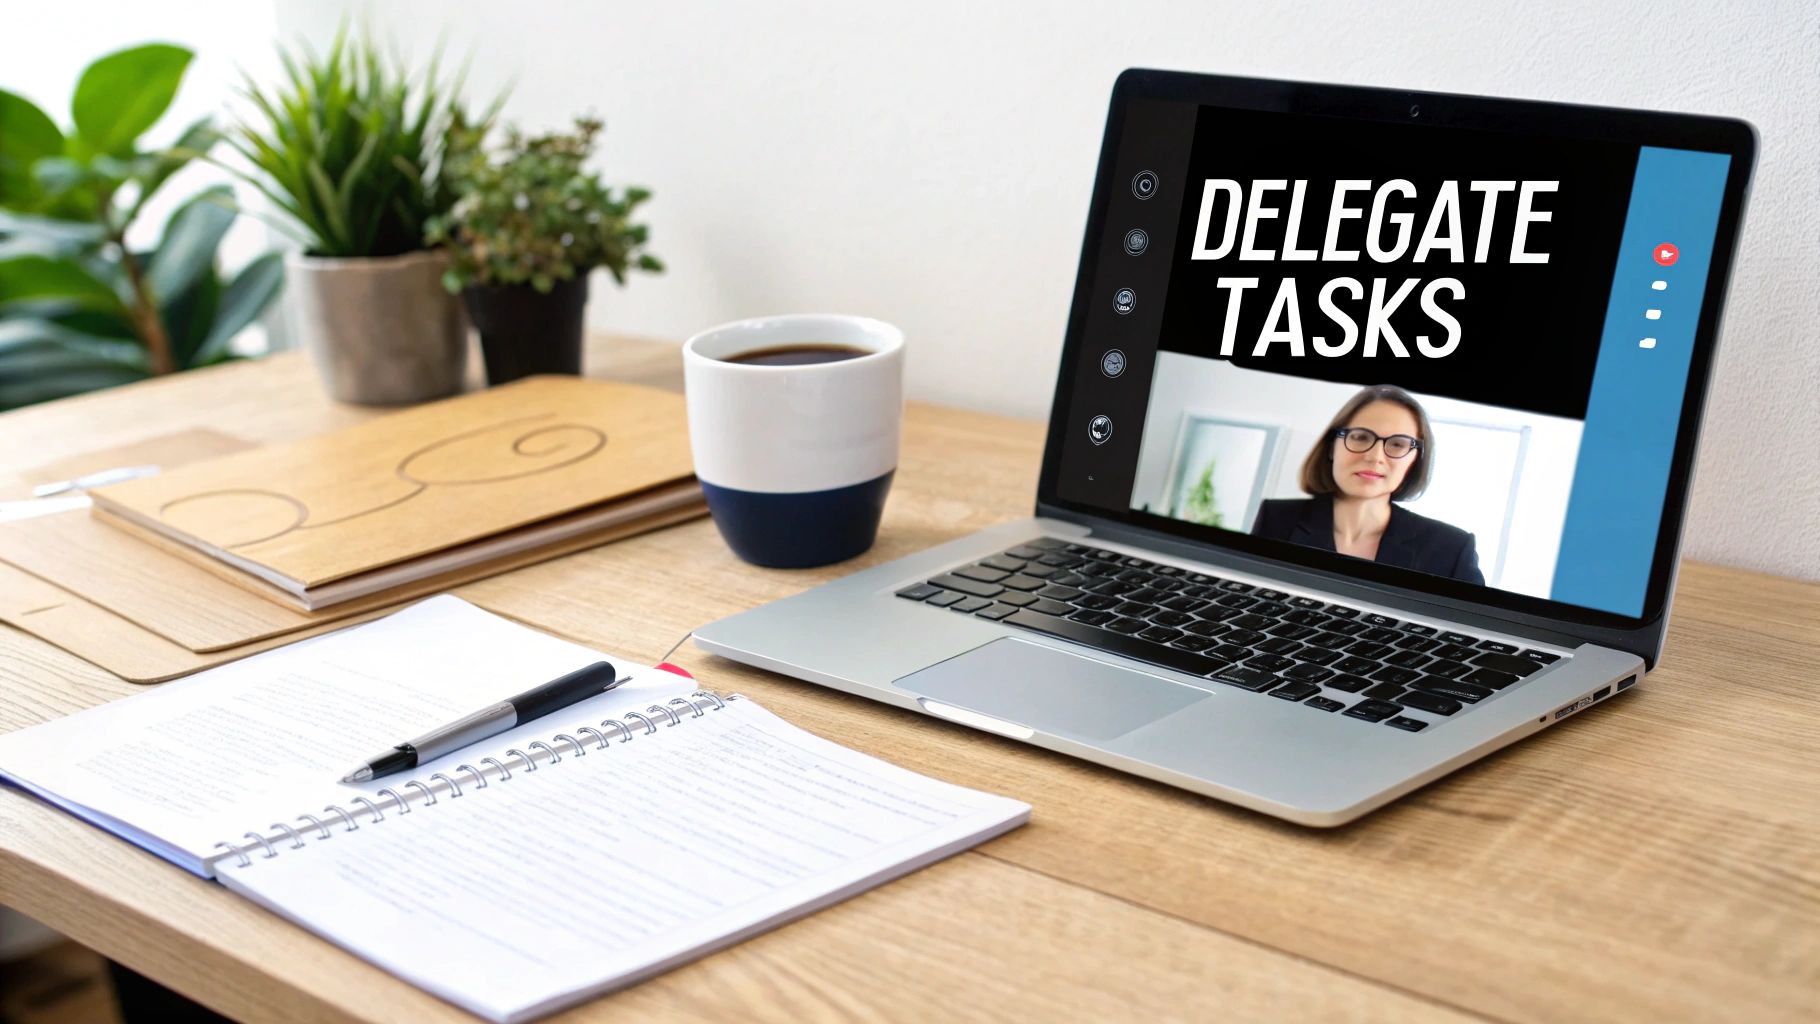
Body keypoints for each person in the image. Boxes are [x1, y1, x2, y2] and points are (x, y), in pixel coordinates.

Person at [1251, 384, 1484, 584]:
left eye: (1397, 444)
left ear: (1414, 459)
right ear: (1332, 446)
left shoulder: (1452, 549)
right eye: (1360, 437)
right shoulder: (1273, 518)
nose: (1375, 457)